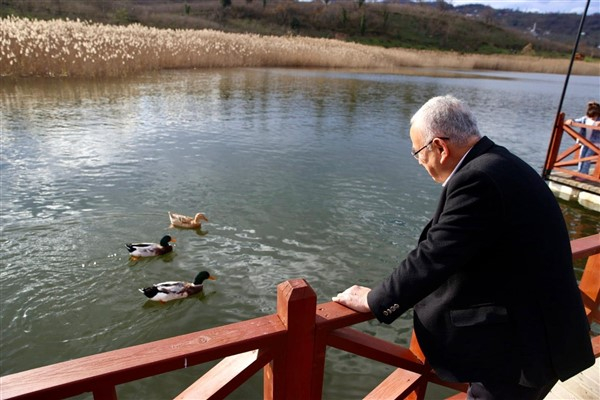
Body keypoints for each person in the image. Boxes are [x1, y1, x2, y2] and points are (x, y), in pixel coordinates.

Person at [333, 95, 594, 400]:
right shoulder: (501, 162)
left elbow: (434, 255)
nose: (419, 162)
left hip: (520, 353)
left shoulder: (478, 180)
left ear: (440, 147)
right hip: (542, 336)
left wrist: (376, 300)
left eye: (418, 152)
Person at [565, 101, 600, 176]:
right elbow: (575, 121)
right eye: (590, 116)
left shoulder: (599, 120)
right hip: (585, 141)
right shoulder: (585, 119)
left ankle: (584, 174)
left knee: (587, 157)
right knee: (581, 157)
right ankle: (580, 172)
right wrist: (570, 121)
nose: (592, 118)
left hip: (595, 143)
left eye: (594, 116)